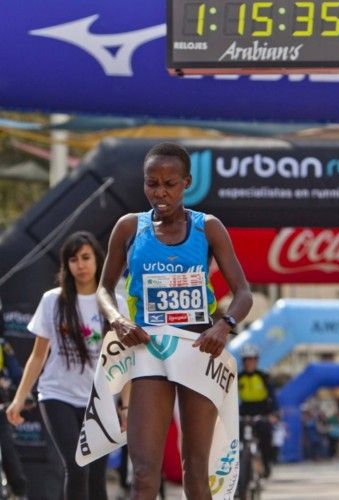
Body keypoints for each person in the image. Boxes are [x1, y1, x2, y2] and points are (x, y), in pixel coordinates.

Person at [96, 142, 253, 499]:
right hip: (150, 350)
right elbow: (104, 291)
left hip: (198, 349)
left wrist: (223, 324)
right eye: (152, 183)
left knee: (195, 471)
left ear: (187, 182)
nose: (160, 192)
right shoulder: (128, 228)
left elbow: (244, 293)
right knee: (145, 472)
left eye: (169, 183)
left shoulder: (208, 228)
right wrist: (118, 319)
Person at [6, 231, 129, 500]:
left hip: (100, 400)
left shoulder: (115, 304)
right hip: (57, 394)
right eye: (73, 260)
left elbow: (123, 359)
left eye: (85, 258)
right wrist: (18, 399)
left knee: (97, 475)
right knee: (76, 466)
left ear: (97, 260)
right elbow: (38, 356)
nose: (80, 265)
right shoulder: (53, 300)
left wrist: (125, 406)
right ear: (66, 265)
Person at [0, 297, 28, 500]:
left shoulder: (2, 345)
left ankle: (18, 493)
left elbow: (17, 373)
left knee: (10, 456)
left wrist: (23, 392)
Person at [238, 343, 279, 478]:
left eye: (252, 359)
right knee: (235, 438)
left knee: (265, 435)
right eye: (247, 360)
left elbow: (272, 396)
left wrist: (274, 413)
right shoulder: (238, 377)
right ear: (243, 362)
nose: (250, 363)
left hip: (262, 412)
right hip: (244, 412)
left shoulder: (263, 376)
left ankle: (266, 464)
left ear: (256, 361)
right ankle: (238, 470)